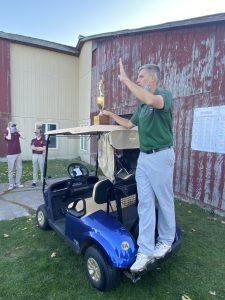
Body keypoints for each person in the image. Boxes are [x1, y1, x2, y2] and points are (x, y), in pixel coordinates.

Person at [102, 58, 176, 273]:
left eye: (141, 76)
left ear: (152, 78)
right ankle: (145, 250)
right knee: (144, 204)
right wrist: (110, 115)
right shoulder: (142, 107)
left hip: (161, 156)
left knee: (163, 199)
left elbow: (152, 100)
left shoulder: (163, 97)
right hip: (144, 157)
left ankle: (166, 240)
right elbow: (128, 124)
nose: (138, 79)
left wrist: (125, 80)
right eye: (136, 77)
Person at [4, 121, 24, 190]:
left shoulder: (16, 133)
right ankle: (11, 185)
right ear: (9, 126)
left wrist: (18, 131)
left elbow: (23, 137)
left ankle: (17, 183)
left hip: (18, 153)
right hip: (10, 155)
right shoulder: (6, 133)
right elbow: (9, 138)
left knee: (19, 169)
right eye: (12, 126)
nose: (14, 127)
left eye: (14, 125)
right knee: (10, 170)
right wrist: (9, 130)